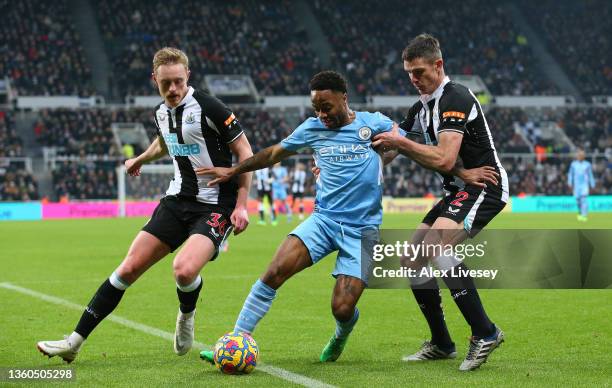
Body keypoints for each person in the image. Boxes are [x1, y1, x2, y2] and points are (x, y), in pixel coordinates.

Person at [198, 70, 495, 364]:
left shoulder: (375, 124)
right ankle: (236, 340)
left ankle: (341, 333)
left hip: (363, 231)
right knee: (274, 272)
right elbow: (273, 153)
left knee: (341, 307)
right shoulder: (311, 128)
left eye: (326, 106)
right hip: (323, 221)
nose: (321, 114)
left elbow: (420, 150)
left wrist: (459, 171)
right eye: (316, 107)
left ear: (344, 98)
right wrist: (235, 170)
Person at [36, 47, 253, 363]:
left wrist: (242, 205)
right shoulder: (161, 112)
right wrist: (141, 158)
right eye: (166, 84)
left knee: (183, 270)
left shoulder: (210, 107)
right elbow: (165, 141)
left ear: (188, 76)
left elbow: (246, 153)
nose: (173, 89)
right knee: (128, 268)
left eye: (178, 81)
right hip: (176, 201)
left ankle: (186, 313)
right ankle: (73, 342)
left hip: (215, 205)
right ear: (155, 79)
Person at [372, 34, 508, 371]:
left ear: (438, 65)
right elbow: (390, 150)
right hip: (459, 190)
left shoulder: (455, 97)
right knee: (411, 260)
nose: (413, 79)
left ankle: (485, 332)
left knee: (436, 248)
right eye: (408, 73)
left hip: (485, 185)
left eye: (419, 72)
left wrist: (401, 145)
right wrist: (365, 147)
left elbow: (445, 160)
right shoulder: (420, 107)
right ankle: (442, 343)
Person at [568, 148, 596, 221]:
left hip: (584, 185)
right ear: (577, 156)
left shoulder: (587, 164)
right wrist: (569, 182)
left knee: (584, 199)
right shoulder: (573, 164)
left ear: (584, 156)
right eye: (579, 155)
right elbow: (570, 174)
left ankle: (584, 215)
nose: (580, 156)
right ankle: (580, 213)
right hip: (576, 185)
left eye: (582, 155)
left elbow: (590, 175)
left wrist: (592, 184)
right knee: (577, 201)